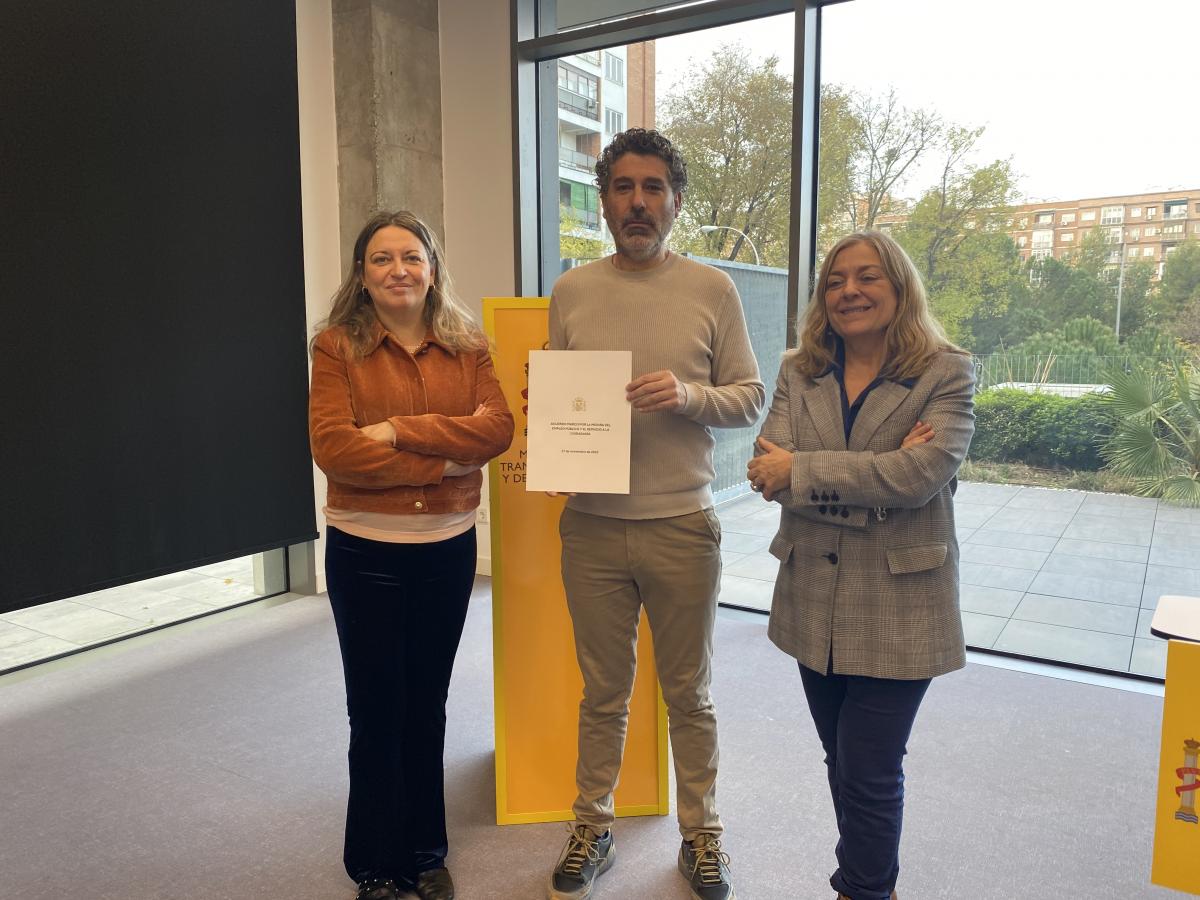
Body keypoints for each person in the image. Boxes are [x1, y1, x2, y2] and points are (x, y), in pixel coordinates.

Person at [545, 128, 766, 900]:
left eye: (653, 188)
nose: (637, 203)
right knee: (602, 692)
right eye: (623, 188)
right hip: (591, 527)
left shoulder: (713, 289)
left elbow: (749, 397)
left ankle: (702, 837)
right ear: (604, 202)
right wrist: (555, 440)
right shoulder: (571, 291)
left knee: (689, 694)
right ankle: (593, 826)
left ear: (675, 201)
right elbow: (563, 397)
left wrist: (686, 394)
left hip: (681, 525)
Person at [746, 230, 975, 900]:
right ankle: (873, 884)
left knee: (870, 769)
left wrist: (804, 472)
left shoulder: (946, 371)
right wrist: (877, 475)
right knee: (842, 761)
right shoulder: (799, 370)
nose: (849, 291)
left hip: (901, 602)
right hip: (812, 597)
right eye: (836, 280)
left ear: (899, 287)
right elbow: (767, 471)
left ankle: (862, 889)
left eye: (868, 276)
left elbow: (921, 476)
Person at [309, 211, 514, 900]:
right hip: (364, 552)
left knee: (426, 705)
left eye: (411, 256)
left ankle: (424, 854)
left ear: (432, 268)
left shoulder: (468, 346)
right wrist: (446, 461)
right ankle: (373, 864)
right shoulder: (336, 347)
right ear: (362, 275)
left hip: (446, 553)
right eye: (381, 258)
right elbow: (335, 450)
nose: (398, 269)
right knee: (375, 711)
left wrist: (397, 430)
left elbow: (497, 430)